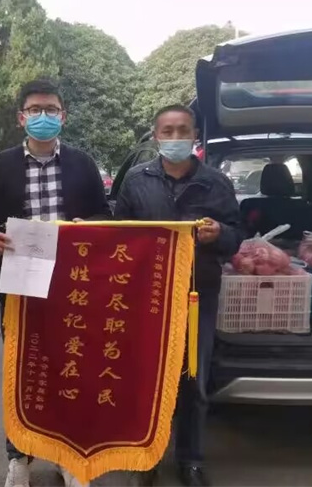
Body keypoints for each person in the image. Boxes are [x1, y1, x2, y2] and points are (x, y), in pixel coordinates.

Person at [0, 78, 111, 487]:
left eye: (51, 109)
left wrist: (89, 226)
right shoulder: (0, 166)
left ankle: (68, 456)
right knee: (23, 372)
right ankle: (19, 456)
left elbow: (105, 215)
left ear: (63, 116)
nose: (43, 116)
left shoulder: (82, 164)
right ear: (22, 118)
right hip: (19, 286)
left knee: (71, 369)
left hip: (73, 285)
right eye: (35, 110)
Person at [114, 104, 243, 487]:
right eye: (167, 131)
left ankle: (191, 460)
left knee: (194, 380)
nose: (175, 138)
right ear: (156, 136)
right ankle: (145, 458)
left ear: (195, 135)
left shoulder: (216, 183)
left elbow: (237, 238)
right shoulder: (136, 180)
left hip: (197, 296)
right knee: (146, 378)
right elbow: (119, 235)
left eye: (182, 130)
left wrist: (220, 234)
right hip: (147, 297)